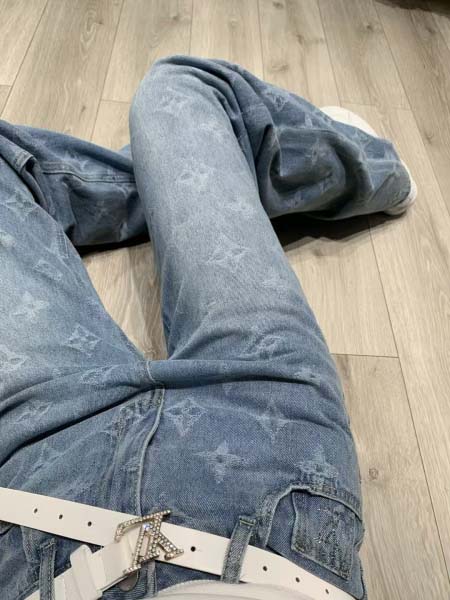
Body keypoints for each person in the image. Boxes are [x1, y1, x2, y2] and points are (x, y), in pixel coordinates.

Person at [0, 55, 416, 600]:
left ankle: (208, 165)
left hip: (39, 486)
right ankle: (356, 168)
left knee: (170, 96)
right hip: (268, 465)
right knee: (177, 88)